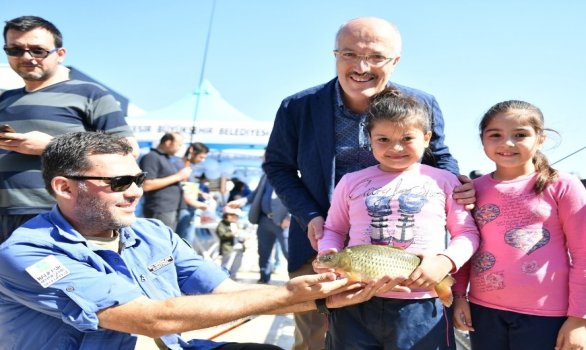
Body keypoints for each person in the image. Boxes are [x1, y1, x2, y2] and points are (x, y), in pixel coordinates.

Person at [0, 131, 407, 350]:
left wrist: (323, 297)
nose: (136, 192)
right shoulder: (27, 253)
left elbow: (228, 292)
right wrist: (288, 297)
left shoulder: (151, 232)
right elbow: (151, 318)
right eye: (120, 182)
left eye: (138, 180)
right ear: (64, 188)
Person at [262, 16, 476, 349]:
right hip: (322, 245)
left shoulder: (423, 104)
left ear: (395, 61)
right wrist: (312, 217)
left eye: (376, 57)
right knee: (314, 339)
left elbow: (440, 159)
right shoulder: (296, 107)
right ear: (335, 55)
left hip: (405, 260)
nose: (361, 67)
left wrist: (459, 186)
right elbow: (278, 166)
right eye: (349, 54)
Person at [316, 89, 480, 349]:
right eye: (383, 139)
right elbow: (334, 229)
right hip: (356, 299)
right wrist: (329, 257)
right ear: (369, 139)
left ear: (426, 138)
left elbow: (467, 234)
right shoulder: (350, 182)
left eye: (407, 138)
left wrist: (444, 262)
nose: (395, 148)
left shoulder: (445, 181)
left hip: (422, 305)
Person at [451, 100, 586, 350]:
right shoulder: (473, 191)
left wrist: (579, 319)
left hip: (546, 314)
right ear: (483, 140)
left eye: (520, 135)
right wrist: (459, 297)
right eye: (495, 135)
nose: (507, 143)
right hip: (484, 310)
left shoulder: (563, 185)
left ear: (540, 138)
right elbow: (465, 246)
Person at [0, 15, 138, 243]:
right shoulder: (4, 99)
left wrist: (50, 146)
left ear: (60, 54)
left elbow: (128, 150)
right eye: (15, 50)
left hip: (57, 217)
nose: (26, 57)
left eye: (37, 50)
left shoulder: (90, 94)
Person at [228, 173, 290, 284]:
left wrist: (289, 217)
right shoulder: (266, 175)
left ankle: (297, 280)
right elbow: (255, 194)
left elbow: (298, 198)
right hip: (264, 219)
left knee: (289, 252)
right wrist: (240, 202)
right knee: (263, 252)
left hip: (282, 222)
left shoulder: (292, 173)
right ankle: (264, 279)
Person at [139, 131, 191, 230]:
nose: (180, 148)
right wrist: (178, 176)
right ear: (168, 142)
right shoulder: (151, 157)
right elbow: (146, 185)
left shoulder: (167, 158)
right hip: (160, 209)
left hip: (171, 208)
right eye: (179, 145)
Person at [174, 142, 211, 242]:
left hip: (190, 208)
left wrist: (200, 193)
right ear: (192, 151)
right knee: (182, 240)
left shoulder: (190, 166)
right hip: (183, 208)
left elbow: (189, 185)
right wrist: (198, 204)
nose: (202, 160)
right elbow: (182, 188)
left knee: (188, 241)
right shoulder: (179, 165)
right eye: (201, 157)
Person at [216, 206, 246, 279]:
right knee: (226, 264)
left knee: (237, 263)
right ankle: (223, 278)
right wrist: (232, 234)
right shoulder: (222, 224)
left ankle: (233, 276)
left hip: (239, 247)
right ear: (226, 215)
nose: (234, 217)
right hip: (228, 248)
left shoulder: (237, 224)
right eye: (232, 215)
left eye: (236, 215)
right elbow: (221, 234)